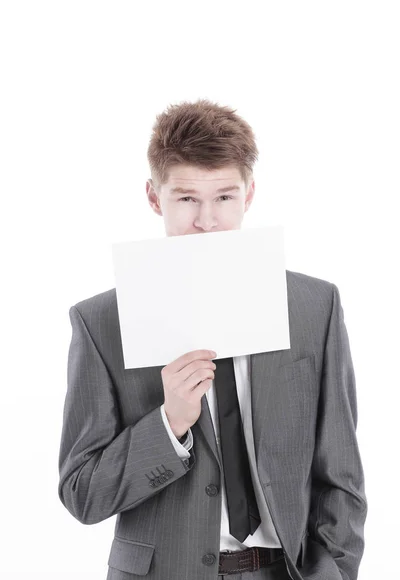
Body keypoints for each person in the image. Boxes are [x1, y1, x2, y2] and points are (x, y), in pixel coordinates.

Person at [58, 98, 368, 580]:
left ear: (249, 195)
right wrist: (167, 425)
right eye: (186, 199)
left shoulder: (314, 307)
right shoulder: (101, 322)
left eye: (224, 197)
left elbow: (341, 473)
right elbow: (82, 494)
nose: (206, 221)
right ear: (154, 197)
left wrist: (335, 571)